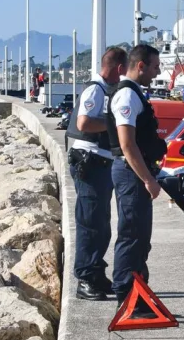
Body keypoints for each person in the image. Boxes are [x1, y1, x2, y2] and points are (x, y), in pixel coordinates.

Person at [65, 47, 128, 300]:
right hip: (90, 163)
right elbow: (83, 123)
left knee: (101, 224)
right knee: (90, 223)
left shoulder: (106, 91)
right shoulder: (96, 89)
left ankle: (97, 274)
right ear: (120, 68)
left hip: (100, 163)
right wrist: (115, 124)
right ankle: (85, 278)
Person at [107, 44, 167, 312]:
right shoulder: (127, 97)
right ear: (140, 65)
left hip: (135, 173)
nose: (157, 72)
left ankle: (138, 295)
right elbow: (127, 144)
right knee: (131, 236)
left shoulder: (134, 95)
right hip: (131, 174)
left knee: (140, 238)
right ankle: (127, 298)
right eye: (155, 67)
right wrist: (147, 180)